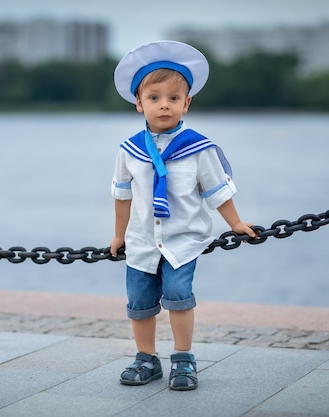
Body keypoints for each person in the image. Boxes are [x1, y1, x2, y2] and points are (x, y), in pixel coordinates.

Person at [110, 40, 257, 391]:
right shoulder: (129, 151)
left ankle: (183, 358)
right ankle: (146, 358)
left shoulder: (198, 148)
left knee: (179, 297)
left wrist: (235, 223)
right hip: (142, 242)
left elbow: (217, 191)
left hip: (183, 240)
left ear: (187, 103)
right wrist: (118, 235)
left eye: (174, 98)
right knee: (140, 304)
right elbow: (122, 196)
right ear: (139, 103)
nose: (164, 105)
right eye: (155, 98)